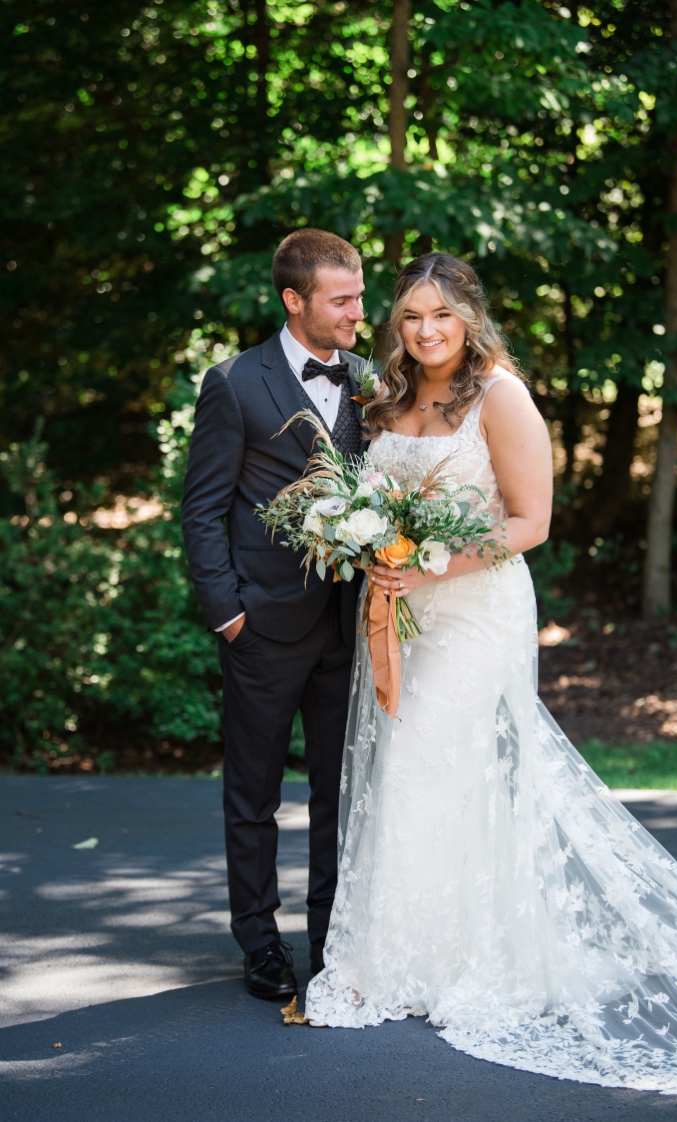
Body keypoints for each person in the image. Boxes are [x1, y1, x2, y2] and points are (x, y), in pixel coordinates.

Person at [302, 253, 677, 1096]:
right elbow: (370, 502)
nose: (426, 331)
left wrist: (429, 567)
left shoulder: (501, 395)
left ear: (469, 316)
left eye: (441, 315)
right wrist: (367, 547)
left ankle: (450, 963)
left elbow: (531, 522)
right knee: (401, 769)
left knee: (423, 762)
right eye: (411, 318)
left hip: (474, 610)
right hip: (399, 609)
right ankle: (395, 956)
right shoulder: (387, 397)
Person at [180, 229, 371, 1002]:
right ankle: (259, 940)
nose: (361, 311)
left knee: (341, 790)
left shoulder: (367, 379)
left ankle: (331, 937)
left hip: (350, 624)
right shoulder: (233, 383)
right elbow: (202, 510)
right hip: (260, 626)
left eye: (360, 295)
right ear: (295, 301)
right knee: (253, 794)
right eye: (344, 300)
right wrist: (227, 613)